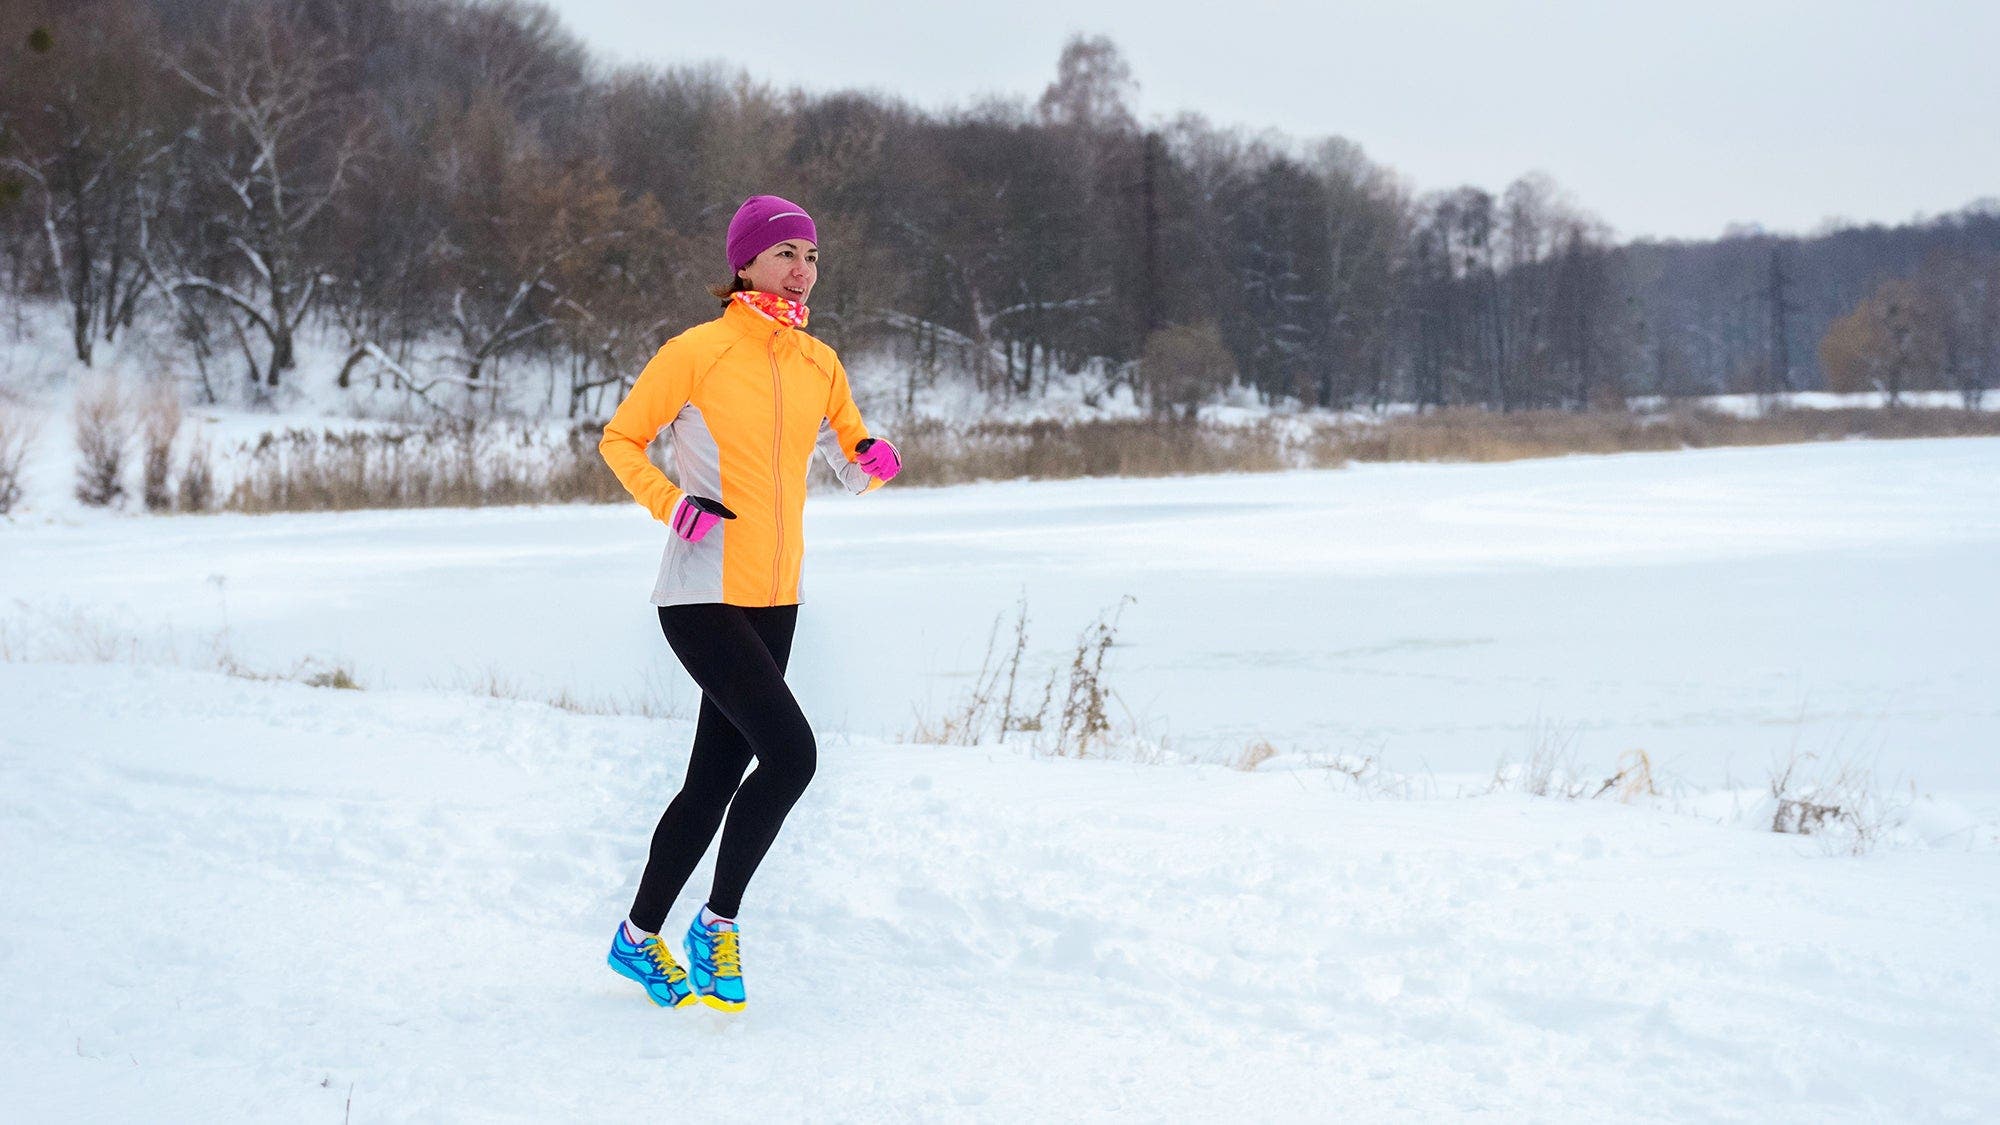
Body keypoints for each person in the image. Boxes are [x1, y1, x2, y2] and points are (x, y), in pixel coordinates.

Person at [597, 194, 902, 1012]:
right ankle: (715, 922)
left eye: (811, 256)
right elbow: (620, 440)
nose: (802, 270)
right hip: (701, 592)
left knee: (711, 781)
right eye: (785, 254)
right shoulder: (696, 351)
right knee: (793, 755)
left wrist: (872, 457)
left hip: (777, 596)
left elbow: (847, 455)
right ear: (743, 263)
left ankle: (635, 938)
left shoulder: (818, 363)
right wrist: (673, 504)